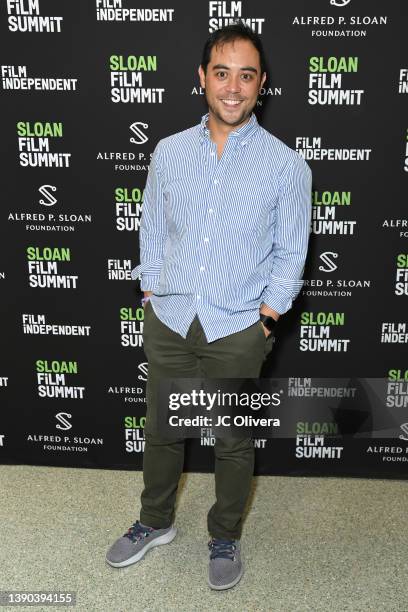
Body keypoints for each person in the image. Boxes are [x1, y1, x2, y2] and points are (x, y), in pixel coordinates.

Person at [106, 22, 312, 591]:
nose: (233, 87)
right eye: (222, 73)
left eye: (246, 76)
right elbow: (151, 227)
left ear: (261, 84)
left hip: (237, 325)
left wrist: (266, 319)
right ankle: (154, 521)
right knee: (163, 431)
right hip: (170, 318)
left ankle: (223, 534)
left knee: (232, 440)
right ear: (203, 78)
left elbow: (292, 251)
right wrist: (152, 290)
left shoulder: (285, 165)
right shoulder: (169, 153)